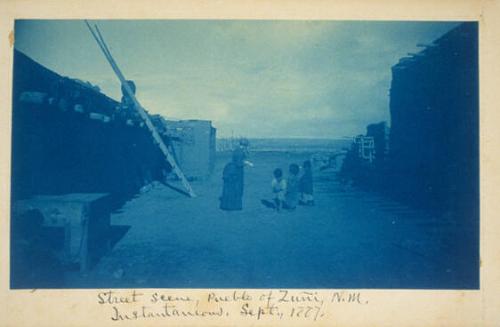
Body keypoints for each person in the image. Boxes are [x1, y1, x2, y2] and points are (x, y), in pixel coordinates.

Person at [219, 146, 246, 211]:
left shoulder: (237, 151)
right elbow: (239, 163)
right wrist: (243, 164)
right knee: (235, 190)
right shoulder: (240, 152)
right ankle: (233, 206)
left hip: (232, 173)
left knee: (229, 191)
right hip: (235, 173)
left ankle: (227, 205)